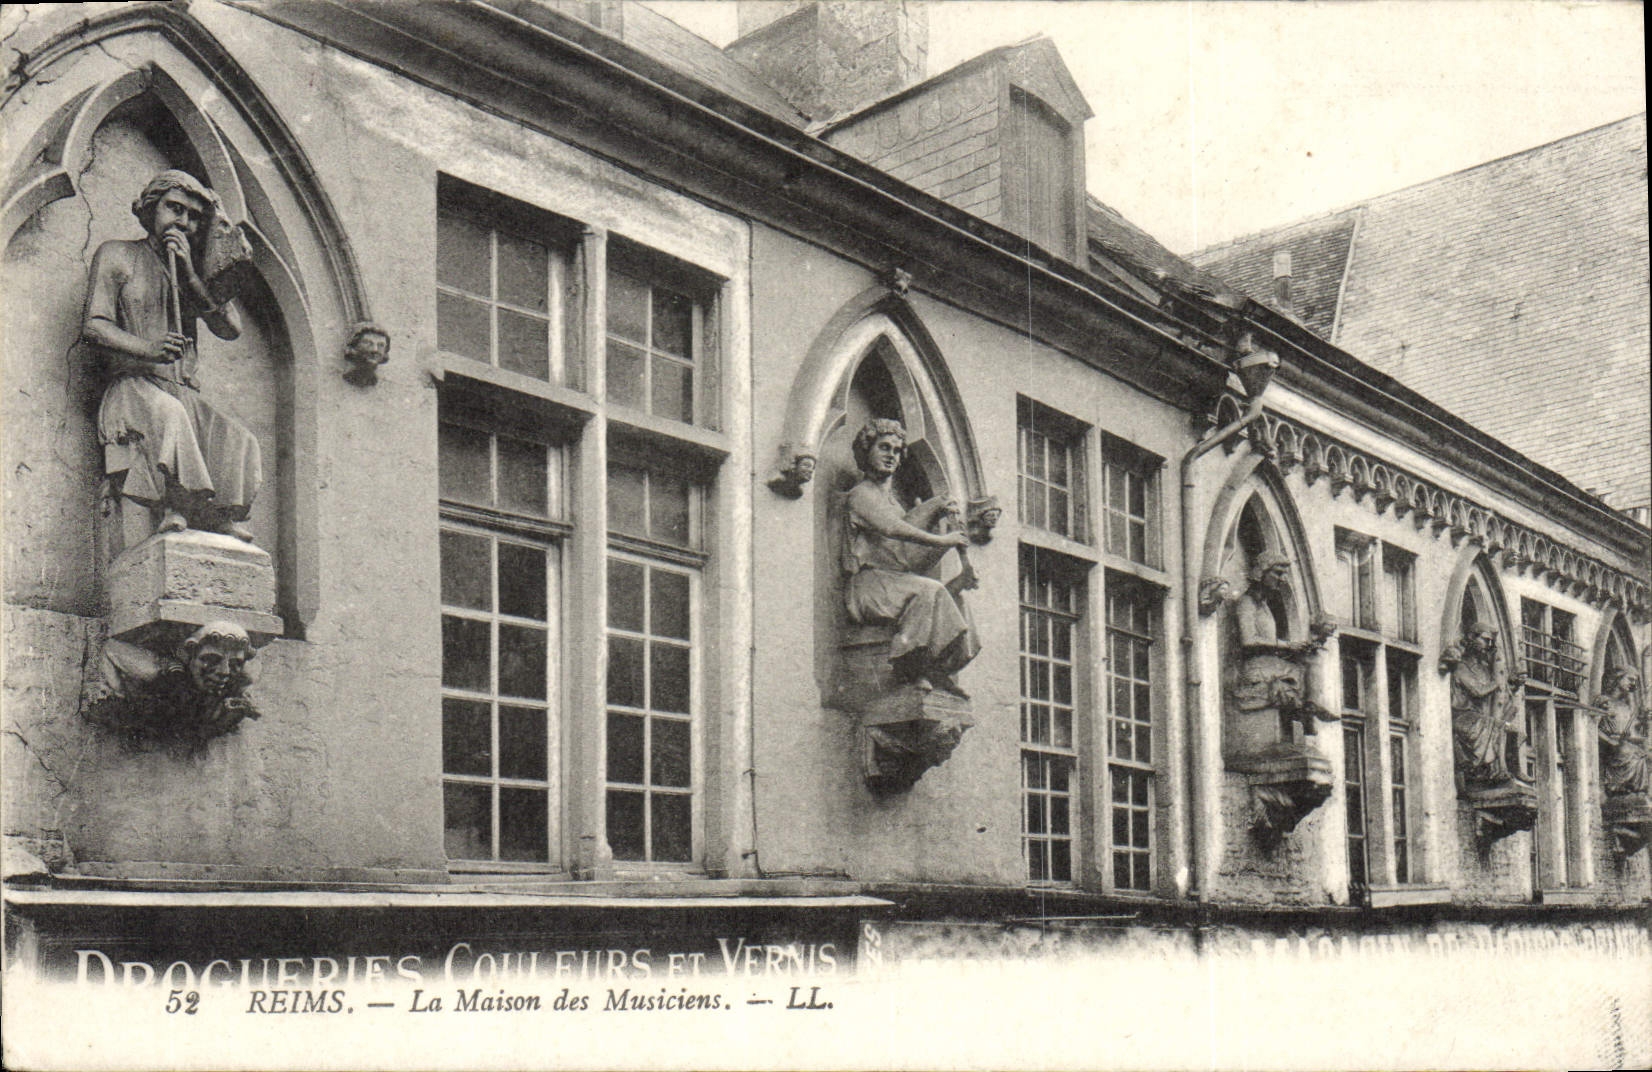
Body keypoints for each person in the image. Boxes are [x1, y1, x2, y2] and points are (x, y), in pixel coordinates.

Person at [82, 170, 261, 543]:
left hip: (180, 390)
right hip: (132, 388)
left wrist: (191, 275)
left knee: (239, 437)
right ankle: (175, 503)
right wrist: (149, 349)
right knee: (170, 415)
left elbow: (230, 328)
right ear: (151, 209)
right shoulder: (118, 254)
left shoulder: (189, 271)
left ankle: (219, 512)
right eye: (174, 208)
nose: (183, 221)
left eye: (194, 216)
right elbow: (95, 326)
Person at [842, 418, 978, 695]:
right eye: (884, 447)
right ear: (867, 450)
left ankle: (941, 670)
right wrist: (942, 538)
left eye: (896, 450)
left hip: (894, 582)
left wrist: (953, 557)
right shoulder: (861, 495)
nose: (891, 455)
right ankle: (910, 668)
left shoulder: (895, 503)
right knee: (928, 591)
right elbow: (894, 529)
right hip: (868, 587)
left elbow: (907, 560)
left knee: (952, 596)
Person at [1231, 550, 1335, 738]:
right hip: (1257, 668)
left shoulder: (1263, 605)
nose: (1282, 579)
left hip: (1269, 664)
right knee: (1305, 668)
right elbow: (1248, 640)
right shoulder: (1246, 603)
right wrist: (1286, 646)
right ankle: (1310, 707)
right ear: (1262, 573)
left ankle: (1311, 705)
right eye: (1277, 573)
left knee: (1312, 657)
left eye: (1284, 574)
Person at [1440, 621, 1527, 788]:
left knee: (1512, 730)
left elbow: (1497, 695)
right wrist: (1499, 681)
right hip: (1462, 717)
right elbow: (1478, 691)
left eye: (1491, 642)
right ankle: (1498, 772)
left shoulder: (1484, 668)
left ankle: (1513, 771)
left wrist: (1511, 684)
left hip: (1477, 717)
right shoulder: (1461, 666)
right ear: (1472, 638)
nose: (1488, 645)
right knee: (1498, 726)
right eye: (1485, 639)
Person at [1599, 667, 1650, 798]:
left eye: (1635, 681)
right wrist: (1610, 741)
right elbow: (1592, 727)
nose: (1632, 684)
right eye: (1630, 679)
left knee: (1642, 753)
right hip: (1612, 748)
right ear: (1618, 678)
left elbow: (1631, 734)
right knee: (1630, 753)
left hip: (1623, 745)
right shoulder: (1604, 701)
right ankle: (1617, 787)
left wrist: (1645, 727)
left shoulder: (1625, 706)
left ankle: (1635, 791)